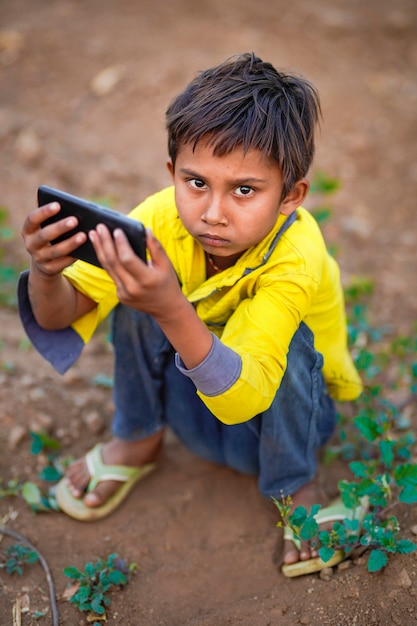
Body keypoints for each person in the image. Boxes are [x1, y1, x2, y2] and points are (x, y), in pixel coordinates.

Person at [19, 52, 363, 577]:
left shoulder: (296, 257)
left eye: (244, 190)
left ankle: (297, 484)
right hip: (195, 418)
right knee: (133, 290)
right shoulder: (160, 221)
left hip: (271, 428)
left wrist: (170, 307)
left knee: (289, 340)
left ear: (291, 196)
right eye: (196, 182)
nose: (212, 212)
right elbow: (56, 318)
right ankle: (137, 438)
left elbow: (249, 394)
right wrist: (47, 274)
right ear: (172, 172)